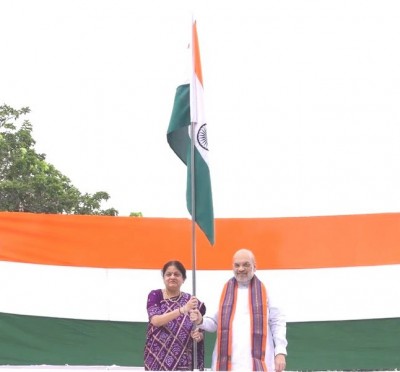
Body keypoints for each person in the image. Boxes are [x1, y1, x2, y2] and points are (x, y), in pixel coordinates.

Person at [191, 249, 287, 371]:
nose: (241, 268)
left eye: (246, 264)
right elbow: (213, 323)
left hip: (259, 362)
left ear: (255, 267)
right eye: (237, 265)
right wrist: (200, 321)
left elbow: (278, 322)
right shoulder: (223, 291)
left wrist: (280, 352)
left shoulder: (266, 289)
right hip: (228, 363)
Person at [144, 260, 206, 371]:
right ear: (163, 278)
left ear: (183, 279)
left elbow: (200, 328)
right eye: (168, 274)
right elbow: (156, 321)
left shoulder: (192, 302)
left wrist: (199, 335)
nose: (172, 277)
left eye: (177, 274)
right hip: (157, 359)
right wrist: (182, 309)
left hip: (182, 361)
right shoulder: (155, 295)